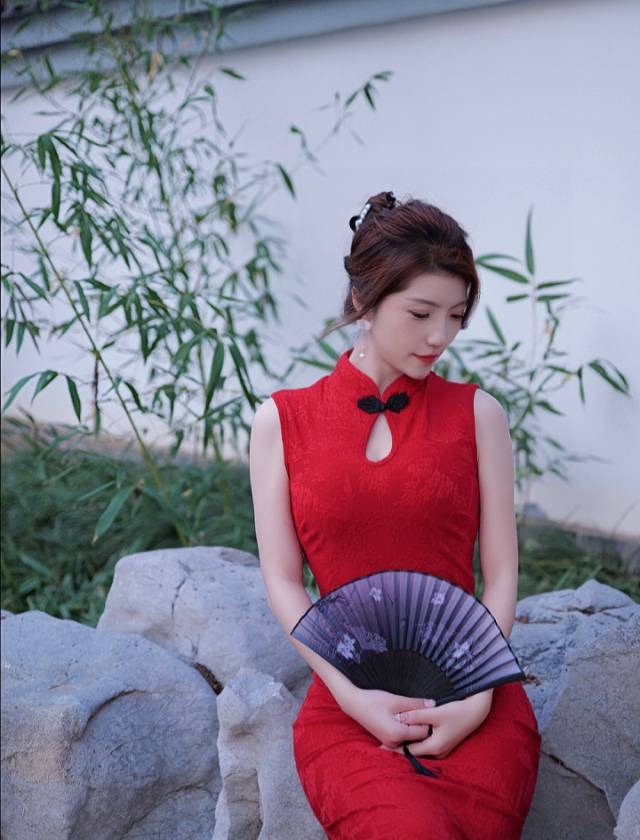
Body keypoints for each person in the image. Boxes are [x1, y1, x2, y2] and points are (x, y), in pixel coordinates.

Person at [249, 191, 541, 839]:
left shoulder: (478, 414)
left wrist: (477, 698)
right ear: (363, 300)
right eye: (420, 313)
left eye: (456, 316)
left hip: (475, 699)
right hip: (349, 704)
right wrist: (352, 697)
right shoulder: (283, 421)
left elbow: (500, 575)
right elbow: (284, 581)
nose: (441, 336)